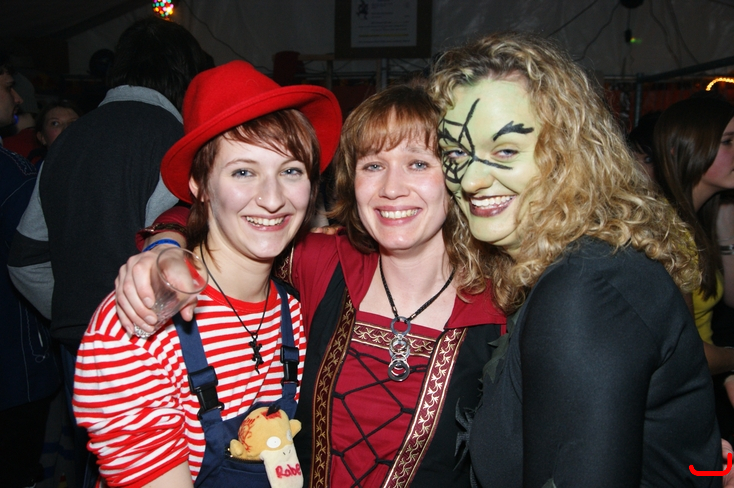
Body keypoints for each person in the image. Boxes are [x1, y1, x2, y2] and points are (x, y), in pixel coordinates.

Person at [114, 80, 506, 487]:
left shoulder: (504, 306)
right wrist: (164, 245)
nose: (392, 188)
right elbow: (228, 218)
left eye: (419, 164)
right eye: (373, 165)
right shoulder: (323, 262)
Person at [430, 31, 721, 486]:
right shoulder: (574, 264)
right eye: (456, 153)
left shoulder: (585, 290)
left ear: (568, 154)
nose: (470, 180)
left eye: (505, 150)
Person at [72, 60, 342, 487]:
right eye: (243, 172)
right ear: (199, 184)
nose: (273, 199)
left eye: (290, 171)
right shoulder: (139, 323)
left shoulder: (298, 310)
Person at [7, 17, 211, 488]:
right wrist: (123, 316)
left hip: (77, 345)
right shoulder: (177, 142)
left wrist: (79, 310)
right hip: (155, 348)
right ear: (184, 75)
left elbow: (23, 259)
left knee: (101, 468)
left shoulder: (67, 142)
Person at [0, 52, 61, 488]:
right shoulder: (14, 175)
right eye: (7, 87)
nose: (18, 97)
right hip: (13, 365)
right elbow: (38, 257)